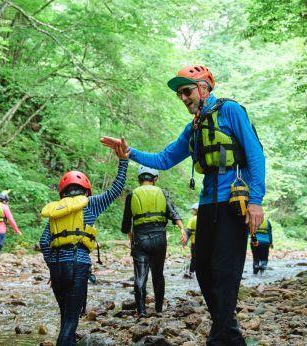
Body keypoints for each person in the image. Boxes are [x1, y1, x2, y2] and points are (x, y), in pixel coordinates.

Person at [101, 65, 265, 345]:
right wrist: (128, 153)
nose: (183, 98)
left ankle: (221, 337)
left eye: (186, 91)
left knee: (225, 271)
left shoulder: (232, 111)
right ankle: (230, 333)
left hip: (233, 203)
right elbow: (164, 159)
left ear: (203, 88)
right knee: (202, 268)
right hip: (207, 205)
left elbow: (255, 154)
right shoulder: (194, 127)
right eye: (179, 94)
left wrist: (256, 201)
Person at [39, 148, 128, 346]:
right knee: (71, 321)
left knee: (65, 318)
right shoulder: (91, 203)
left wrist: (52, 265)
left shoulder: (56, 211)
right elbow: (116, 188)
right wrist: (123, 161)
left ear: (63, 192)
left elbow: (44, 242)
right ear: (86, 189)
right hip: (78, 265)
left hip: (57, 268)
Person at [121, 165, 185, 317]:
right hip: (159, 239)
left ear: (140, 179)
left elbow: (125, 224)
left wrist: (131, 236)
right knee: (158, 274)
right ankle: (158, 309)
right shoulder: (162, 192)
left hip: (140, 239)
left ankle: (141, 311)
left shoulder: (132, 194)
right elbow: (173, 212)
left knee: (140, 275)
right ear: (155, 179)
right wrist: (182, 229)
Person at [184, 202, 199, 279]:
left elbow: (188, 232)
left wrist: (184, 242)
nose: (191, 211)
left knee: (194, 258)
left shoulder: (192, 219)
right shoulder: (205, 218)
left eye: (193, 210)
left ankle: (191, 272)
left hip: (194, 242)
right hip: (204, 243)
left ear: (196, 210)